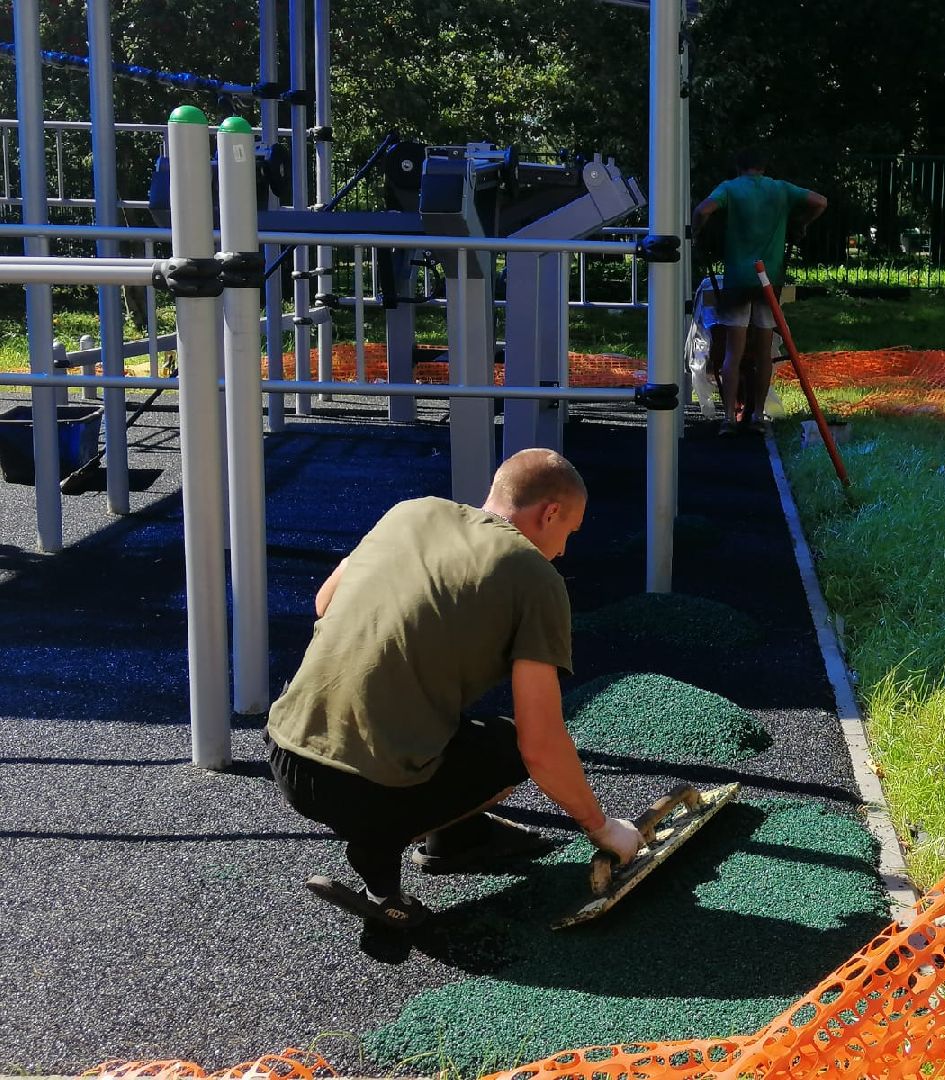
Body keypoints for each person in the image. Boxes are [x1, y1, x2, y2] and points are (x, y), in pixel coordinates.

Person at [266, 448, 643, 930]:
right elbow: (541, 746)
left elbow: (323, 603)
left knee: (447, 721)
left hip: (283, 747)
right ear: (550, 513)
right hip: (358, 789)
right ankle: (381, 868)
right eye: (568, 532)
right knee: (509, 747)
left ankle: (456, 840)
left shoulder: (411, 511)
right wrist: (604, 828)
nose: (564, 550)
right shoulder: (537, 577)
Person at [692, 147, 827, 435]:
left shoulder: (730, 188)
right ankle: (757, 414)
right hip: (768, 279)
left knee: (733, 351)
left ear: (738, 167)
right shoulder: (780, 189)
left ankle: (728, 417)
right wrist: (800, 224)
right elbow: (820, 201)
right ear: (764, 167)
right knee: (764, 351)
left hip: (738, 279)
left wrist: (697, 232)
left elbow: (703, 209)